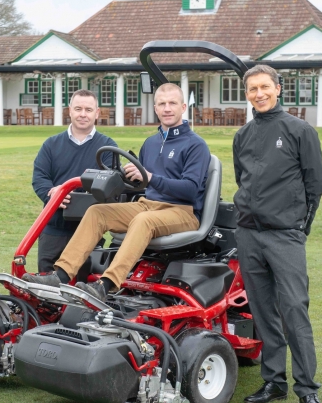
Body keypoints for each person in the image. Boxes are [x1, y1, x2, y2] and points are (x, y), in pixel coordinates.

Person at [33, 83, 210, 301]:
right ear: (155, 108)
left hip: (182, 211)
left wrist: (151, 177)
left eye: (172, 103)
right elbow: (142, 186)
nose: (167, 108)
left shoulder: (196, 145)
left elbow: (190, 190)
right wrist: (125, 178)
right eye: (162, 104)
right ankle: (60, 274)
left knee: (143, 220)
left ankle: (106, 284)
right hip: (149, 204)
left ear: (183, 107)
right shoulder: (151, 143)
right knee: (98, 211)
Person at [233, 64, 322, 403]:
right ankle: (274, 381)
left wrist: (300, 226)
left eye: (264, 87)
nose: (259, 94)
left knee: (294, 310)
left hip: (285, 235)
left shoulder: (300, 130)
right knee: (262, 312)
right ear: (247, 94)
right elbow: (243, 179)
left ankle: (307, 390)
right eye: (252, 89)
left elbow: (314, 184)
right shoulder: (242, 135)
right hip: (249, 234)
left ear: (278, 88)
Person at [24, 89, 117, 279]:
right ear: (70, 111)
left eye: (88, 110)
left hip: (89, 229)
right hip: (53, 227)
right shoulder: (51, 144)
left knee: (84, 287)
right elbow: (39, 178)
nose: (83, 114)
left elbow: (111, 184)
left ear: (97, 113)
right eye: (78, 109)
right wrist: (53, 194)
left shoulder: (108, 146)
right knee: (46, 285)